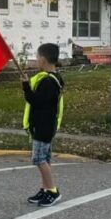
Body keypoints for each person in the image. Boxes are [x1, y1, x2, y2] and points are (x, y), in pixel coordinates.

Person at [21, 43, 65, 207]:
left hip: (43, 126)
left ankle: (52, 191)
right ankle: (44, 188)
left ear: (44, 59)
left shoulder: (48, 82)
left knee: (39, 159)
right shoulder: (54, 78)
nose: (37, 59)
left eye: (38, 57)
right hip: (47, 125)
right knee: (45, 158)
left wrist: (26, 87)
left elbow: (36, 101)